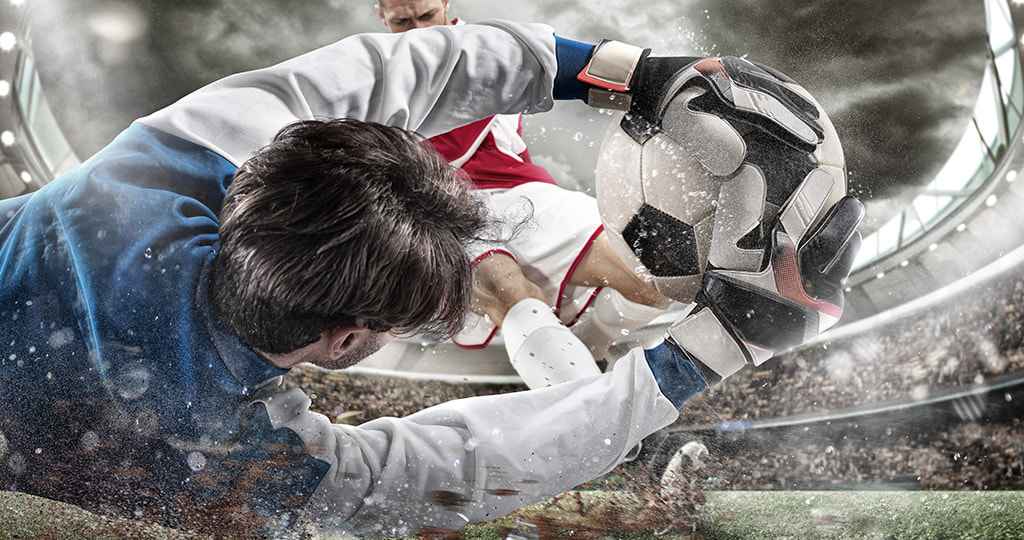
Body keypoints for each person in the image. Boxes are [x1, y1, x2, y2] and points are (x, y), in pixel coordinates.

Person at [0, 17, 860, 539]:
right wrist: (709, 352)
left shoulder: (160, 164)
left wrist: (626, 72)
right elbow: (460, 466)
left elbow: (394, 71)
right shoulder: (229, 458)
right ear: (346, 341)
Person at [376, 0, 673, 389]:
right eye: (402, 21)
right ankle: (584, 413)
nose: (418, 31)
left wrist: (661, 78)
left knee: (655, 275)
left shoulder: (490, 47)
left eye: (427, 16)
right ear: (381, 15)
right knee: (509, 293)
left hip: (521, 193)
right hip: (437, 213)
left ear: (445, 3)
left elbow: (572, 64)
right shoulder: (373, 72)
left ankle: (586, 352)